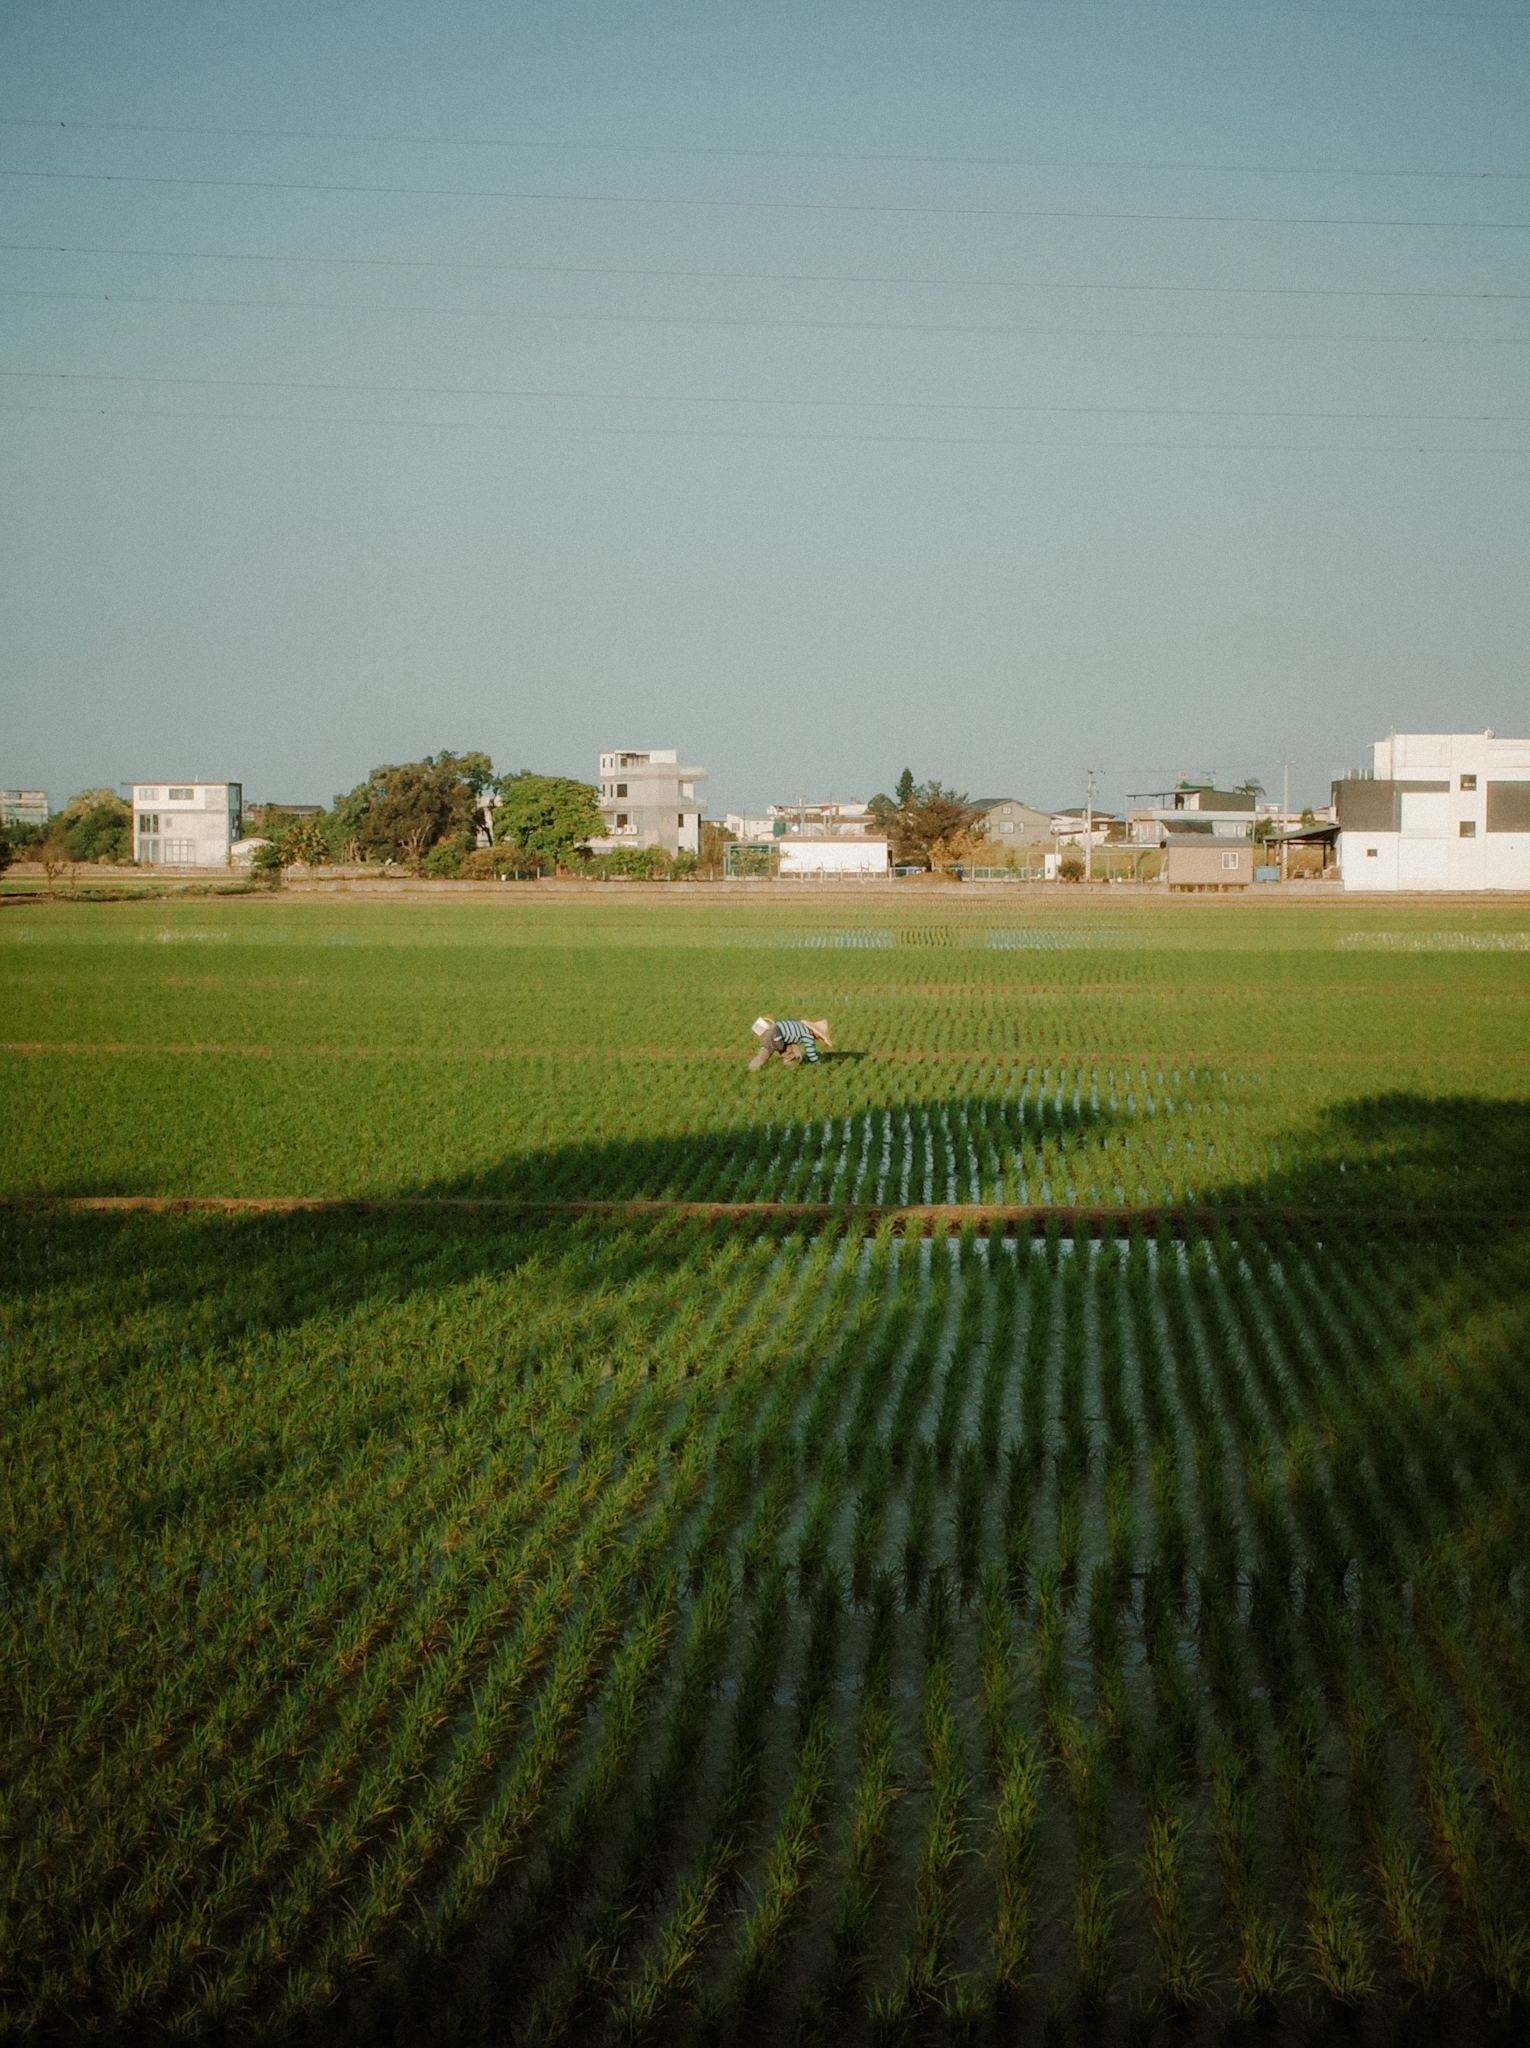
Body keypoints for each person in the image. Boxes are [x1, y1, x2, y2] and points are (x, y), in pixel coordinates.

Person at [749, 1016, 833, 1068]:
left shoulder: (802, 1027)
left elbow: (790, 1038)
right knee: (763, 1055)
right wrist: (818, 1063)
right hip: (776, 1034)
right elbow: (811, 1052)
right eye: (820, 1036)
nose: (818, 1039)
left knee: (789, 1052)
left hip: (776, 1031)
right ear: (817, 1033)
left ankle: (790, 1067)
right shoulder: (808, 1035)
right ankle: (751, 1069)